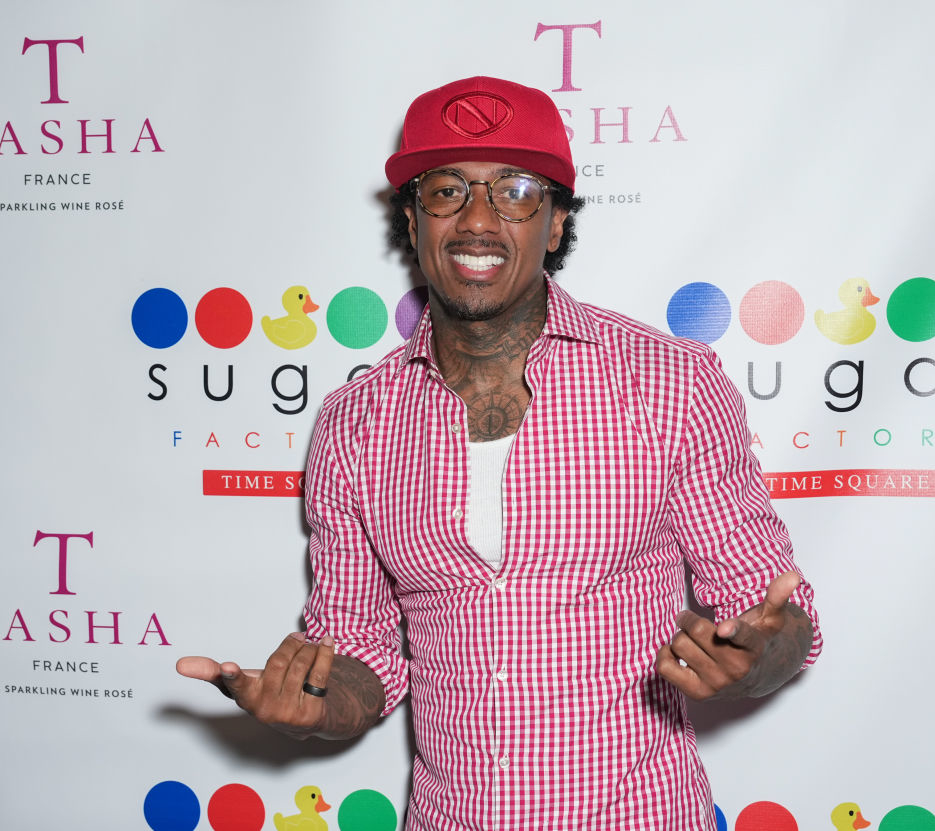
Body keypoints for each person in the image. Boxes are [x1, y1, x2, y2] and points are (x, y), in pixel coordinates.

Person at [178, 76, 822, 830]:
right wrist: (312, 703)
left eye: (515, 190)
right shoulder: (356, 423)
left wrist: (756, 657)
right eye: (447, 190)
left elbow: (775, 612)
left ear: (553, 223)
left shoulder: (669, 383)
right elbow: (359, 654)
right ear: (412, 220)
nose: (477, 220)